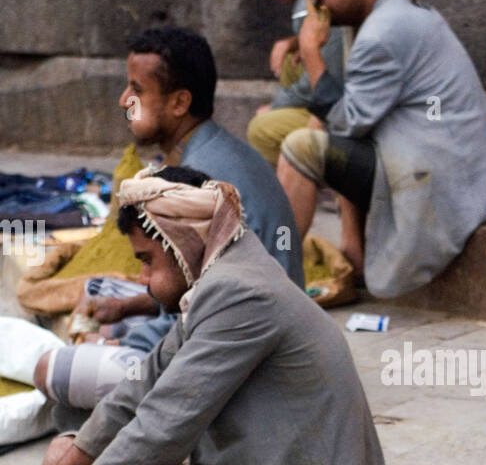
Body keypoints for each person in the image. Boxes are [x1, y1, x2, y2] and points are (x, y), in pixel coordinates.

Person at [28, 167, 400, 465]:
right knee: (61, 459)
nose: (144, 282)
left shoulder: (240, 292)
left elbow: (163, 424)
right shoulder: (219, 278)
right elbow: (137, 389)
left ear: (180, 241)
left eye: (147, 261)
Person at [33, 26, 304, 412]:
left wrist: (125, 346)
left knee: (51, 371)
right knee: (100, 294)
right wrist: (129, 309)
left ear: (179, 103)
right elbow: (195, 281)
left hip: (249, 354)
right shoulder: (212, 151)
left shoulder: (198, 184)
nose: (123, 100)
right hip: (240, 318)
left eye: (137, 90)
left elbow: (209, 310)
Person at [276, 0, 486, 293]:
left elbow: (348, 123)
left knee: (301, 147)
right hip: (438, 165)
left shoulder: (382, 34)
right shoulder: (390, 15)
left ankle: (274, 285)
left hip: (438, 182)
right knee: (312, 141)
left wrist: (312, 52)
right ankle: (295, 269)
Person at [235, 0, 346, 167]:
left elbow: (326, 77)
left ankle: (317, 179)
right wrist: (294, 42)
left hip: (347, 106)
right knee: (288, 63)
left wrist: (275, 108)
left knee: (261, 130)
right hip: (338, 96)